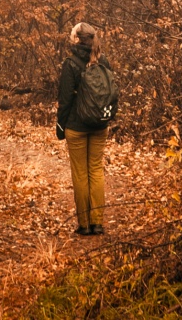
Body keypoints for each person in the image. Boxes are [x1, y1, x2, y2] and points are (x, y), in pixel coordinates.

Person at [55, 21, 113, 236]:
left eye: (72, 34)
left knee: (80, 174)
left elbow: (65, 100)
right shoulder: (103, 60)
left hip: (76, 126)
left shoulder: (70, 63)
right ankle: (98, 223)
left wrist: (60, 126)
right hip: (100, 124)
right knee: (96, 171)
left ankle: (84, 225)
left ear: (77, 39)